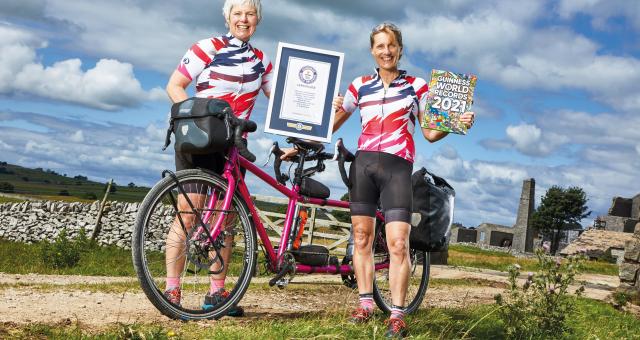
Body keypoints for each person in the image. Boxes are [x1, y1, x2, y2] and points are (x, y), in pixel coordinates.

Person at [284, 22, 474, 337]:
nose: (386, 52)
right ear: (372, 50)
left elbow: (429, 133)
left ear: (400, 49)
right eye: (379, 46)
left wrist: (457, 124)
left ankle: (397, 314)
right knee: (362, 240)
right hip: (365, 167)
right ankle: (365, 304)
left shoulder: (417, 86)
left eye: (391, 46)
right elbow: (328, 127)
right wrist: (297, 147)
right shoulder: (359, 86)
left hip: (398, 168)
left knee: (399, 243)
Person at [164, 0, 272, 317]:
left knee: (225, 220)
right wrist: (196, 118)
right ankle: (172, 290)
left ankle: (217, 294)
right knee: (189, 212)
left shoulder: (261, 61)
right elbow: (175, 86)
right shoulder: (207, 47)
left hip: (233, 145)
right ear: (227, 17)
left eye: (250, 13)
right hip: (198, 139)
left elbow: (281, 98)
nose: (244, 18)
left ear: (258, 20)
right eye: (237, 12)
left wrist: (323, 105)